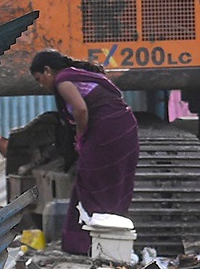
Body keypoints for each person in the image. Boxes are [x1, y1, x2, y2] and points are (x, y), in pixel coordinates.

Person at [29, 50, 140, 256]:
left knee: (91, 185)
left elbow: (80, 110)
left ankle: (87, 245)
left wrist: (80, 137)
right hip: (123, 127)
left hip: (106, 132)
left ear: (47, 71)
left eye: (39, 79)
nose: (41, 84)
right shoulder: (77, 74)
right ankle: (108, 242)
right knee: (109, 185)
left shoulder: (63, 80)